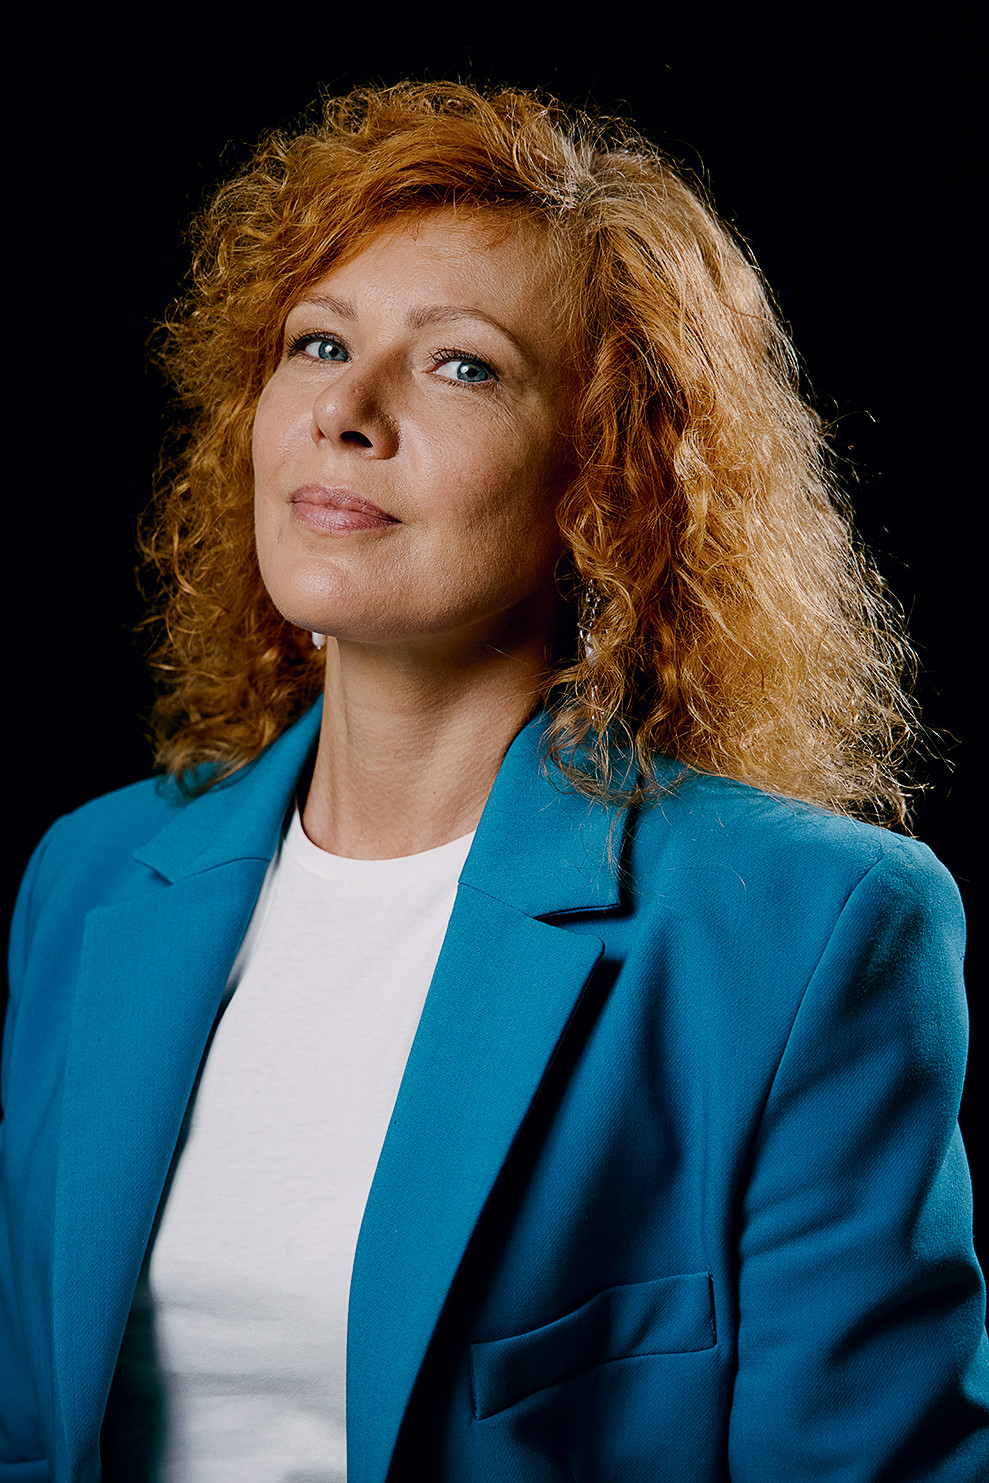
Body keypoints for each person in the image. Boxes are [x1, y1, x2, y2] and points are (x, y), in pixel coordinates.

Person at [1, 79, 986, 1483]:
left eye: (460, 366)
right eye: (318, 343)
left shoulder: (808, 930)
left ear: (611, 477)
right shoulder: (88, 879)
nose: (346, 410)